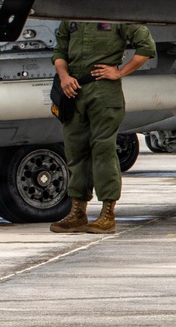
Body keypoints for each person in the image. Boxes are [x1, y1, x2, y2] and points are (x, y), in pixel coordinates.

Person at [49, 21, 157, 234]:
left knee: (103, 150)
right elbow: (59, 51)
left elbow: (146, 47)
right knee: (75, 151)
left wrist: (119, 72)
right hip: (73, 92)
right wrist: (64, 76)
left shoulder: (115, 15)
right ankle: (77, 213)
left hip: (104, 93)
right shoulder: (70, 18)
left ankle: (107, 214)